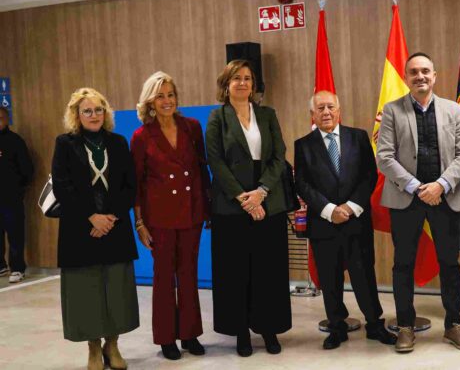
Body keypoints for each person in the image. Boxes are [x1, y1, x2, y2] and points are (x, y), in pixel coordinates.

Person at [376, 52, 460, 353]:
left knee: (450, 263)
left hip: (445, 197)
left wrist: (441, 185)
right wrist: (418, 187)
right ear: (406, 77)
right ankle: (405, 327)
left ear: (435, 75)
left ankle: (453, 325)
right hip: (407, 197)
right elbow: (384, 156)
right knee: (403, 264)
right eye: (414, 72)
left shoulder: (453, 110)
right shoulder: (392, 110)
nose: (420, 76)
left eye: (425, 71)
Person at [294, 91, 397, 350]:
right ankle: (336, 327)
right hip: (324, 223)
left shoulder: (358, 137)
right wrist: (329, 209)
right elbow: (302, 184)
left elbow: (369, 176)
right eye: (320, 108)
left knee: (364, 276)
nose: (326, 112)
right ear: (312, 115)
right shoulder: (303, 145)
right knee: (330, 279)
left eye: (330, 107)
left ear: (339, 110)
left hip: (356, 221)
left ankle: (375, 324)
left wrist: (350, 208)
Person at [206, 59, 291, 357]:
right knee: (236, 271)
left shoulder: (267, 114)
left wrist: (262, 192)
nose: (242, 83)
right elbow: (215, 162)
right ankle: (241, 332)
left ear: (254, 86)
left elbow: (279, 155)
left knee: (268, 270)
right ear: (226, 84)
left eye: (248, 79)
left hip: (268, 199)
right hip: (232, 206)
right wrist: (244, 199)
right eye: (236, 78)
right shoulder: (217, 117)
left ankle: (268, 329)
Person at [52, 88, 139, 370]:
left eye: (99, 110)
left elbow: (129, 184)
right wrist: (91, 216)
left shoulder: (118, 142)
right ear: (77, 115)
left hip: (114, 227)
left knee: (116, 290)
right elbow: (63, 187)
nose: (94, 115)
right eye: (87, 111)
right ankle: (92, 349)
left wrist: (110, 217)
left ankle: (112, 345)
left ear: (106, 113)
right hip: (80, 229)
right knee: (86, 292)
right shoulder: (64, 144)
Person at [130, 72, 210, 360]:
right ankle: (166, 337)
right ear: (150, 101)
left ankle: (189, 334)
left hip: (192, 212)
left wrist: (207, 208)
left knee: (188, 273)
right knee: (164, 277)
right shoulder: (141, 136)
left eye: (171, 94)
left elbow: (202, 170)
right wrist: (139, 222)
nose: (167, 101)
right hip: (159, 218)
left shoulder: (192, 127)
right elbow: (136, 184)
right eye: (160, 96)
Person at [0, 106, 33, 283]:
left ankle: (18, 268)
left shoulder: (15, 141)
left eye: (0, 118)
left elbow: (27, 169)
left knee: (15, 234)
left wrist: (19, 189)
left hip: (11, 197)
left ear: (6, 119)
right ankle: (1, 266)